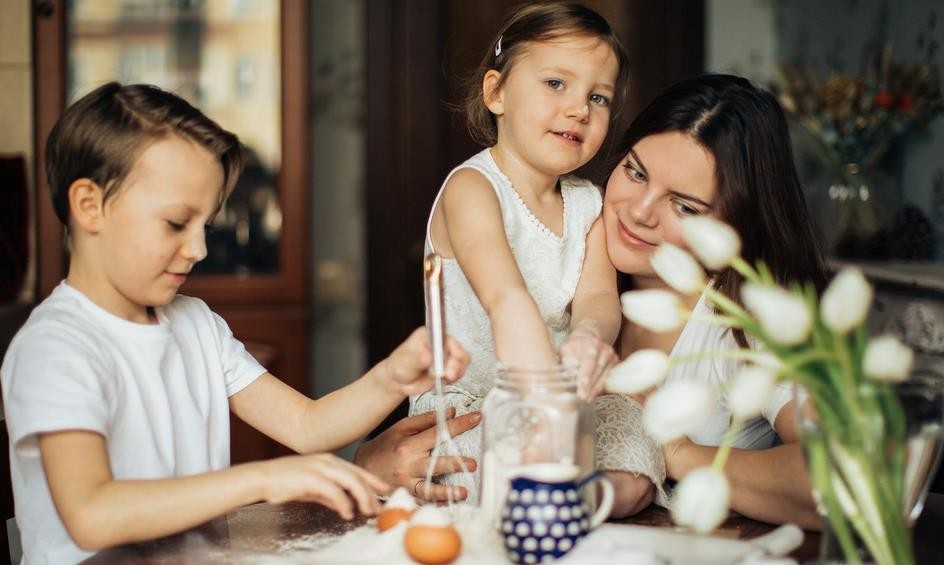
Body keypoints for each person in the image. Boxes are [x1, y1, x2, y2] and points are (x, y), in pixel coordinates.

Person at [0, 82, 469, 564]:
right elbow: (92, 513)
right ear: (89, 206)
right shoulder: (55, 347)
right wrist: (261, 479)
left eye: (206, 226)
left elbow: (307, 427)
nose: (199, 250)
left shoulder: (195, 324)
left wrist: (390, 377)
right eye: (176, 223)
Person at [410, 2, 659, 510]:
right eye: (555, 84)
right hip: (479, 405)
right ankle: (547, 497)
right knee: (501, 466)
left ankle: (581, 501)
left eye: (598, 96)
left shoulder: (589, 202)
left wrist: (589, 341)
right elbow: (507, 300)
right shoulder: (473, 188)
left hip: (564, 400)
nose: (579, 109)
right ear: (496, 92)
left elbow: (597, 300)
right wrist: (546, 405)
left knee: (638, 443)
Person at [601, 73, 826, 527]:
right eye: (635, 171)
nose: (639, 213)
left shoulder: (753, 320)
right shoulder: (568, 261)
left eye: (684, 207)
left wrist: (677, 452)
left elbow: (842, 479)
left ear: (737, 225)